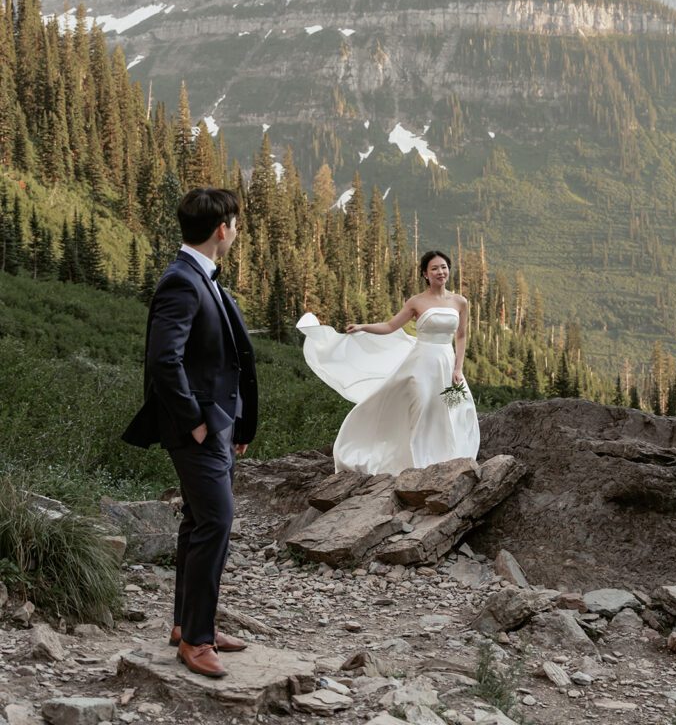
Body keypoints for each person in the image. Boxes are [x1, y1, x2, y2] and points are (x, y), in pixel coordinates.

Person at [122, 188, 258, 679]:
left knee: (198, 524)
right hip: (197, 431)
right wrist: (196, 422)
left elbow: (219, 360)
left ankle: (188, 623)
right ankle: (197, 642)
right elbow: (164, 360)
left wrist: (233, 422)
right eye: (236, 224)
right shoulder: (182, 281)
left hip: (217, 427)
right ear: (222, 228)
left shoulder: (201, 277)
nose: (236, 231)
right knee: (216, 522)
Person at [297, 250, 479, 475]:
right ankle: (415, 461)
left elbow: (461, 336)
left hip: (446, 361)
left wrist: (458, 367)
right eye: (434, 268)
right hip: (421, 363)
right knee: (420, 406)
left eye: (443, 267)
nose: (440, 272)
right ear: (425, 274)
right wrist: (364, 327)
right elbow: (391, 326)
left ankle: (444, 456)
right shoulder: (417, 302)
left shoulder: (460, 302)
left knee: (446, 410)